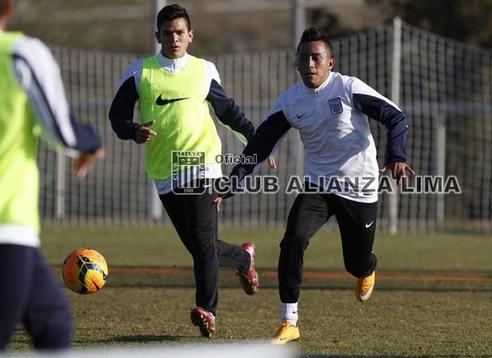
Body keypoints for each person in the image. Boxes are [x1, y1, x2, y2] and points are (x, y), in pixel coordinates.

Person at [218, 27, 414, 344]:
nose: (310, 63)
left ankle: (367, 267)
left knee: (356, 263)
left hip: (359, 188)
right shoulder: (290, 102)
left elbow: (396, 117)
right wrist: (234, 180)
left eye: (316, 57)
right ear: (297, 63)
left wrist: (397, 156)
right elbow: (260, 144)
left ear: (330, 63)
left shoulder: (349, 88)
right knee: (292, 241)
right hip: (318, 186)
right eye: (304, 58)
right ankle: (289, 321)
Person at [109, 4, 262, 338]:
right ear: (158, 36)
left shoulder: (204, 71)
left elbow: (230, 114)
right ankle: (242, 259)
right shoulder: (140, 72)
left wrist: (258, 141)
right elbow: (116, 117)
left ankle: (207, 310)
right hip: (164, 171)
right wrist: (133, 131)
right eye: (168, 33)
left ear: (190, 36)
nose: (174, 38)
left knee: (202, 246)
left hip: (201, 162)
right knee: (199, 245)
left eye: (180, 32)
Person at [0, 0, 105, 351]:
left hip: (16, 235)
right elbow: (62, 133)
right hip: (6, 223)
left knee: (53, 323)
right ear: (9, 8)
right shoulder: (20, 54)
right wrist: (92, 141)